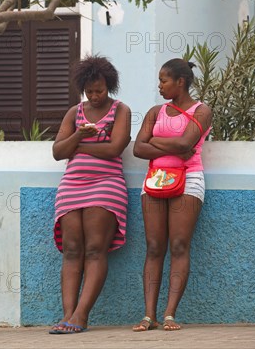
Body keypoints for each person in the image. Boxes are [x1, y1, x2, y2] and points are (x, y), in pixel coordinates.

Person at [50, 55, 131, 334]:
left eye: (100, 90)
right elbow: (58, 152)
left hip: (106, 184)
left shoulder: (121, 111)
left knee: (96, 249)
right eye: (90, 91)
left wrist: (78, 148)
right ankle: (67, 315)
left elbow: (114, 149)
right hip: (72, 185)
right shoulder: (75, 113)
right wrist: (80, 136)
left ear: (109, 85)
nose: (95, 96)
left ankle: (82, 315)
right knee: (72, 251)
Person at [132, 58, 212, 332]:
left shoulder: (202, 111)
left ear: (180, 81)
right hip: (155, 180)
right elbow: (137, 149)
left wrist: (155, 141)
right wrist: (173, 147)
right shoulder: (156, 112)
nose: (159, 86)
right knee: (154, 247)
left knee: (179, 245)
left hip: (188, 179)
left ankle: (169, 315)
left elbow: (186, 143)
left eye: (164, 80)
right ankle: (148, 315)